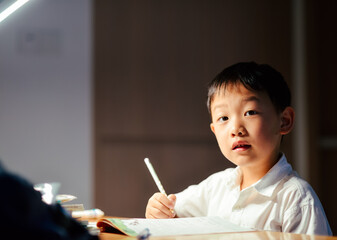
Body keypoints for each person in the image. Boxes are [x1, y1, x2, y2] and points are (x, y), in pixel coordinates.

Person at [145, 62, 332, 235]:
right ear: (214, 130)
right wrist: (158, 210)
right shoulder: (217, 186)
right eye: (223, 118)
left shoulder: (296, 197)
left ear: (284, 121)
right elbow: (172, 213)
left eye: (250, 112)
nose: (236, 129)